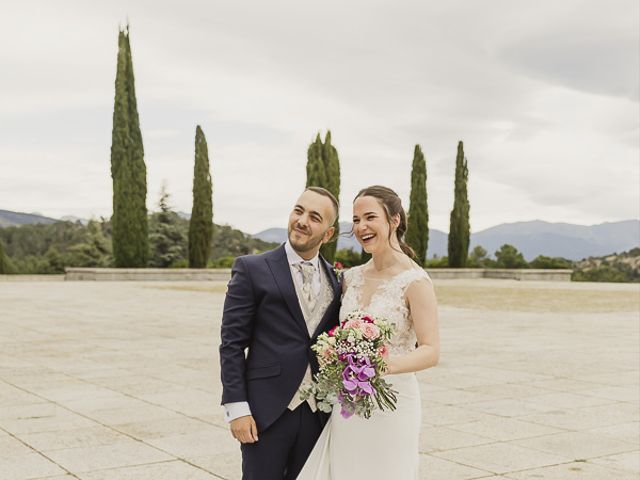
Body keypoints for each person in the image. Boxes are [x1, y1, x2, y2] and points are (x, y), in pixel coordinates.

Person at [298, 185, 440, 479]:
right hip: (348, 403)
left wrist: (375, 365)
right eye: (356, 219)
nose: (361, 227)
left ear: (395, 220)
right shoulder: (350, 278)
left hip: (394, 403)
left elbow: (430, 350)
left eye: (370, 217)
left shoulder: (415, 281)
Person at [219, 187, 342, 480]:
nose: (302, 220)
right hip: (265, 413)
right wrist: (237, 408)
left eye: (314, 217)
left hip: (318, 413)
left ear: (328, 233)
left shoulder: (337, 280)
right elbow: (231, 344)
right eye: (298, 210)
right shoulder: (251, 268)